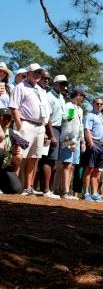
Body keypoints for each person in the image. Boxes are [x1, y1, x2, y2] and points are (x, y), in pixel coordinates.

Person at [8, 63, 48, 196]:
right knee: (18, 157)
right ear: (28, 73)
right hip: (25, 124)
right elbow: (14, 107)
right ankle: (12, 186)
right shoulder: (20, 87)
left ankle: (28, 187)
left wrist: (43, 126)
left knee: (33, 158)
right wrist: (20, 125)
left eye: (39, 72)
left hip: (39, 127)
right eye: (35, 72)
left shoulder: (40, 89)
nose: (37, 75)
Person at [81, 97, 103, 202]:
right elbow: (87, 130)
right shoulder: (90, 115)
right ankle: (86, 193)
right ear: (93, 104)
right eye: (97, 104)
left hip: (102, 146)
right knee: (89, 168)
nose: (99, 106)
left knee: (97, 171)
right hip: (94, 143)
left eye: (101, 104)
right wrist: (91, 144)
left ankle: (94, 193)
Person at [58, 87, 85, 200]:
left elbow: (80, 126)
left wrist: (82, 141)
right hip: (68, 138)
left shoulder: (79, 109)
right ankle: (65, 191)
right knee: (67, 164)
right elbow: (68, 123)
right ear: (77, 95)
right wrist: (71, 141)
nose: (82, 98)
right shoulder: (69, 106)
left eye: (83, 96)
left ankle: (67, 191)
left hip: (77, 140)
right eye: (81, 95)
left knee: (72, 166)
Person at [0, 108, 24, 194]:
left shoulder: (14, 134)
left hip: (5, 168)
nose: (6, 121)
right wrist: (10, 150)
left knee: (17, 189)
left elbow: (24, 144)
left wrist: (15, 153)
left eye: (9, 118)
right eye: (4, 118)